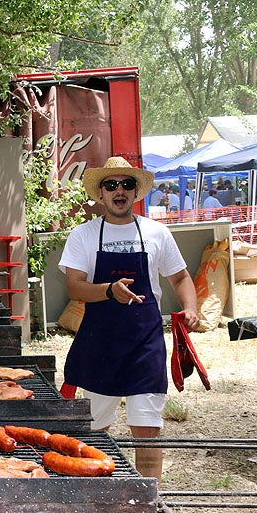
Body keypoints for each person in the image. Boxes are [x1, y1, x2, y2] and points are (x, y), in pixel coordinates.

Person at [59, 156, 199, 489]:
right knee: (95, 432)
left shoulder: (156, 232)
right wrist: (109, 290)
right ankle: (96, 499)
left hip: (145, 344)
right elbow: (74, 286)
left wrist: (190, 308)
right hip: (99, 343)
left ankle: (150, 507)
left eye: (126, 184)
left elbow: (180, 277)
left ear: (136, 192)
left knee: (148, 432)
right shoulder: (84, 235)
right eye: (111, 185)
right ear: (101, 194)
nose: (119, 191)